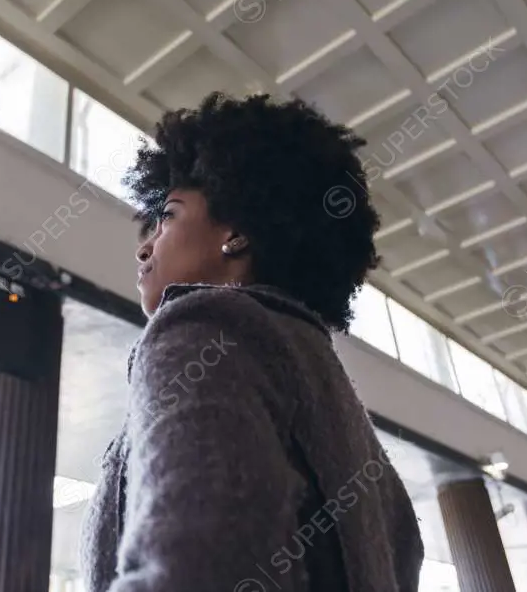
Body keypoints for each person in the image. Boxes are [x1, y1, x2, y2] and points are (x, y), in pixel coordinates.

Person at [80, 92, 424, 591]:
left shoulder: (202, 327)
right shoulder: (359, 440)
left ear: (236, 234)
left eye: (169, 216)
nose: (144, 247)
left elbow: (196, 571)